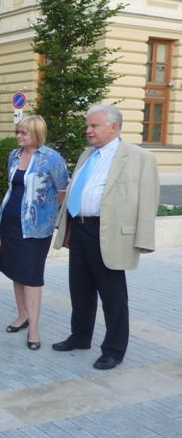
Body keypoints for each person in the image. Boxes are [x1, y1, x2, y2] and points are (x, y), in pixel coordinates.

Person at [52, 104, 159, 370]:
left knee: (113, 296)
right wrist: (67, 227)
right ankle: (80, 336)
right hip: (80, 229)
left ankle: (113, 349)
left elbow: (149, 200)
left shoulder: (138, 157)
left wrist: (143, 240)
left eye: (94, 126)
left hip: (108, 233)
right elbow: (77, 189)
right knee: (80, 288)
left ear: (114, 127)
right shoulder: (87, 154)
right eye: (88, 126)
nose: (88, 130)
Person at [0, 115, 68, 350]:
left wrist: (47, 215)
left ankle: (34, 329)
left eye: (24, 132)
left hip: (36, 229)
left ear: (36, 134)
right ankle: (22, 316)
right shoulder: (14, 156)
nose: (19, 136)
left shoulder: (52, 159)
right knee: (16, 272)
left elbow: (62, 191)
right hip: (11, 223)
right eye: (18, 131)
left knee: (32, 277)